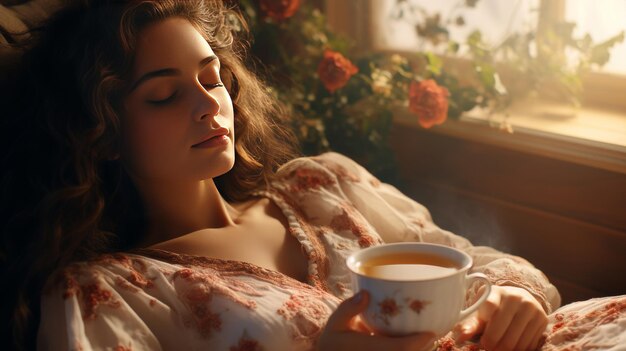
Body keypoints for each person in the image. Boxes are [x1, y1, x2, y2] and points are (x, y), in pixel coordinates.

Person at [0, 1, 623, 350]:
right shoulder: (111, 295)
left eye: (213, 77)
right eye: (163, 96)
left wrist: (515, 299)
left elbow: (479, 263)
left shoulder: (320, 187)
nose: (207, 104)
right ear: (101, 131)